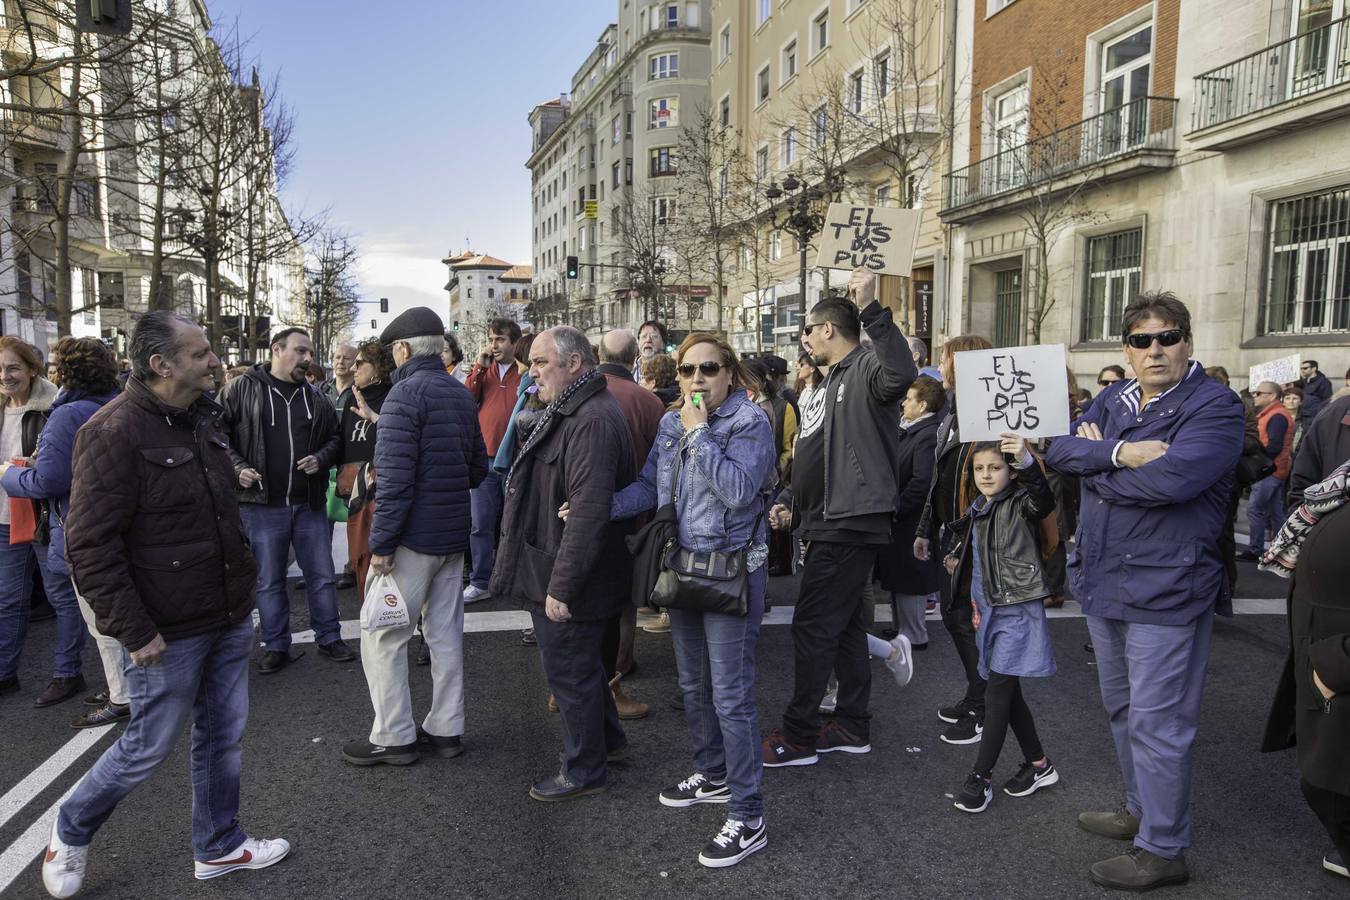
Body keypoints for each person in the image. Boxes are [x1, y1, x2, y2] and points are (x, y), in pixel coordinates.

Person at [44, 311, 289, 898]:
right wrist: (133, 630)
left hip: (225, 613)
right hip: (164, 629)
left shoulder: (201, 419)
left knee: (222, 736)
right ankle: (69, 828)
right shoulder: (111, 432)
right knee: (147, 746)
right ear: (162, 365)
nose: (214, 360)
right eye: (201, 352)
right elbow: (90, 546)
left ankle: (220, 846)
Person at [1045, 291, 1243, 891]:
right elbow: (1057, 449)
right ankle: (1138, 811)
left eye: (1168, 337)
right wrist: (1120, 453)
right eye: (1141, 340)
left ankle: (1163, 849)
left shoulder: (1215, 405)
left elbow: (1176, 481)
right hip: (1107, 581)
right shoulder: (1112, 398)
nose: (1154, 349)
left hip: (1168, 588)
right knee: (1124, 710)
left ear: (1187, 341)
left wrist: (1096, 472)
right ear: (1126, 350)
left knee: (1161, 723)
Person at [605, 333, 776, 867]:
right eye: (686, 371)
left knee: (732, 695)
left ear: (730, 373)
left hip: (730, 574)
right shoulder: (668, 422)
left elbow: (738, 492)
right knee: (692, 684)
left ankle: (749, 816)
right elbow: (653, 488)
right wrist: (598, 505)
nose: (696, 380)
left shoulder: (750, 423)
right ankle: (712, 771)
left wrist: (700, 434)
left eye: (708, 369)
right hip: (682, 570)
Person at [761, 268, 917, 767]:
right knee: (846, 626)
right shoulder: (826, 383)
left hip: (850, 521)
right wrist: (789, 495)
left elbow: (902, 374)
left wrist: (871, 308)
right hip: (825, 518)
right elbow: (813, 452)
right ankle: (852, 724)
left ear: (827, 329)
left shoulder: (868, 367)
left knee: (811, 626)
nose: (803, 340)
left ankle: (800, 735)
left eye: (806, 330)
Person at [491, 326, 635, 802]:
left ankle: (584, 769)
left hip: (569, 572)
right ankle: (607, 744)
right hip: (559, 562)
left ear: (574, 363)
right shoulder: (575, 406)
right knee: (584, 667)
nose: (531, 373)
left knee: (570, 672)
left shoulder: (589, 418)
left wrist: (562, 587)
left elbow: (589, 511)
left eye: (539, 363)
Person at [342, 308, 486, 766]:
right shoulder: (458, 393)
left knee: (384, 636)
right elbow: (478, 468)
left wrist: (381, 545)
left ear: (403, 349)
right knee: (444, 636)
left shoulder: (404, 395)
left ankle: (394, 734)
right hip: (450, 538)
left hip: (411, 541)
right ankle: (446, 728)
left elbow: (396, 480)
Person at [217, 328, 354, 673]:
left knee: (321, 575)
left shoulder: (316, 396)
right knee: (269, 579)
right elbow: (215, 436)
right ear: (277, 350)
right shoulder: (239, 389)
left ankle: (329, 637)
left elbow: (336, 440)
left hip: (308, 503)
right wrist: (237, 467)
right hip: (261, 506)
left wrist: (321, 459)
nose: (308, 359)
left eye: (309, 353)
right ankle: (276, 645)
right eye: (300, 351)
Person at [1, 339, 122, 727]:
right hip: (101, 525)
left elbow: (49, 478)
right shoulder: (115, 404)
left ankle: (108, 689)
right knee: (112, 615)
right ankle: (122, 686)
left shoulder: (63, 412)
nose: (5, 376)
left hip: (66, 525)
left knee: (89, 612)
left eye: (54, 364)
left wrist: (10, 473)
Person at [944, 435, 1059, 814]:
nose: (986, 475)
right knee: (1009, 692)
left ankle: (981, 776)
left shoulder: (1021, 502)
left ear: (1010, 472)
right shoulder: (979, 507)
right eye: (979, 469)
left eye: (995, 468)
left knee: (996, 692)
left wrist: (1026, 459)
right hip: (989, 610)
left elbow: (1044, 498)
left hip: (1017, 610)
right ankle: (1039, 765)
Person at [1260, 460, 1350, 882]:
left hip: (1338, 664)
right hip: (1324, 654)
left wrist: (1337, 664)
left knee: (1327, 787)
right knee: (1322, 781)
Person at [915, 334, 994, 746]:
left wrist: (962, 543)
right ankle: (975, 696)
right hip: (950, 534)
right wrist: (926, 528)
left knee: (966, 622)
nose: (940, 366)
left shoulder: (986, 419)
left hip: (972, 540)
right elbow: (940, 479)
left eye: (946, 359)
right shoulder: (955, 412)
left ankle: (983, 708)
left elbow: (988, 490)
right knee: (954, 618)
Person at [0, 337, 75, 705]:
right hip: (4, 518)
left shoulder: (54, 407)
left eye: (12, 367)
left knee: (61, 596)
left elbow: (59, 468)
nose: (5, 375)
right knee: (8, 599)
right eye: (0, 369)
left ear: (32, 368)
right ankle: (4, 674)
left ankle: (67, 672)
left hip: (45, 515)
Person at [597, 329, 664, 715]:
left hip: (579, 510)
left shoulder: (579, 394)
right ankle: (619, 668)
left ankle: (568, 684)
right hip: (633, 513)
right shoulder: (647, 400)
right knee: (623, 599)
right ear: (634, 357)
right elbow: (660, 464)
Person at [878, 375, 945, 649]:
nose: (903, 403)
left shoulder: (927, 434)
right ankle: (901, 630)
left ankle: (914, 634)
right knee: (900, 576)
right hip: (902, 517)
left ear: (923, 405)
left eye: (909, 398)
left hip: (911, 519)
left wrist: (897, 507)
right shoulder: (911, 429)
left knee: (910, 577)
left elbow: (922, 481)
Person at [463, 317, 522, 604]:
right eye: (491, 339)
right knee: (480, 524)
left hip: (515, 458)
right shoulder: (483, 370)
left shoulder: (524, 372)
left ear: (513, 342)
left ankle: (511, 580)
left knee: (512, 525)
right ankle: (481, 580)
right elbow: (466, 399)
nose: (494, 345)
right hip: (485, 459)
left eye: (500, 339)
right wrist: (478, 369)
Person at [337, 339, 395, 598]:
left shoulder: (393, 394)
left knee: (383, 555)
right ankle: (368, 605)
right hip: (355, 485)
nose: (353, 369)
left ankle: (388, 609)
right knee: (359, 552)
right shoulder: (352, 394)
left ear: (379, 367)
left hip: (384, 484)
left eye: (360, 363)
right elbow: (343, 439)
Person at [1239, 380, 1294, 561]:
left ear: (1271, 396)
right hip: (1275, 470)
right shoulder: (1273, 413)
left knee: (1255, 509)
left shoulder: (1277, 415)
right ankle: (1281, 549)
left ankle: (1255, 550)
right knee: (1275, 512)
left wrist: (1256, 463)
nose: (1254, 396)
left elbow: (1274, 446)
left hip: (1269, 471)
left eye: (1258, 393)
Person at [322, 343, 356, 408]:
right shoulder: (321, 390)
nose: (341, 361)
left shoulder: (362, 392)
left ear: (356, 363)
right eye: (338, 357)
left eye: (346, 358)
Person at [1283, 386, 1306, 457]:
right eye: (1287, 398)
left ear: (1301, 402)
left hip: (1299, 456)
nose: (1291, 401)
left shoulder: (1307, 420)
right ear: (1283, 401)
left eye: (1295, 398)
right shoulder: (1277, 418)